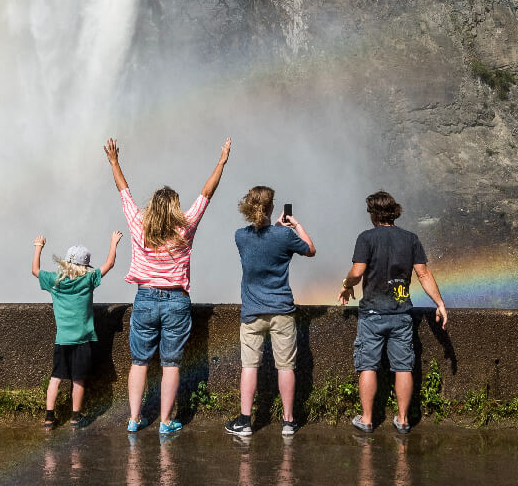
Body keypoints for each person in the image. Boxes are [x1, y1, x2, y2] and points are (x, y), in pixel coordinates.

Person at [105, 136, 230, 435]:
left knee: (139, 362)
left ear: (152, 207)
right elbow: (206, 193)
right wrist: (221, 161)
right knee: (171, 364)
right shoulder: (185, 228)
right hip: (176, 300)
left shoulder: (138, 224)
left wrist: (114, 162)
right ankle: (165, 422)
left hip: (145, 298)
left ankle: (134, 419)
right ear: (174, 208)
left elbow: (124, 193)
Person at [337, 190, 447, 434]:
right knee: (403, 367)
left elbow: (357, 272)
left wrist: (346, 286)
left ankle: (366, 419)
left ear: (373, 213)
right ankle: (403, 419)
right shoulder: (410, 239)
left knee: (367, 366)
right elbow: (424, 274)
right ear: (393, 212)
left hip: (373, 313)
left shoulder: (366, 238)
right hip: (401, 313)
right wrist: (439, 303)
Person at [224, 186, 315, 438]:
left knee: (249, 366)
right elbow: (310, 249)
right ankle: (288, 422)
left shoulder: (240, 236)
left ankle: (245, 421)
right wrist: (294, 226)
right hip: (282, 312)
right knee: (286, 367)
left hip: (252, 313)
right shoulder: (284, 236)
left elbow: (261, 242)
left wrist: (275, 230)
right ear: (272, 207)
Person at [32, 230, 122, 429]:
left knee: (55, 378)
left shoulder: (54, 281)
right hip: (82, 340)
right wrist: (113, 242)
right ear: (85, 265)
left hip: (62, 340)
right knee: (78, 380)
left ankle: (49, 418)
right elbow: (109, 264)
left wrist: (38, 247)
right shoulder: (87, 280)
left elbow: (35, 270)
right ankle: (75, 418)